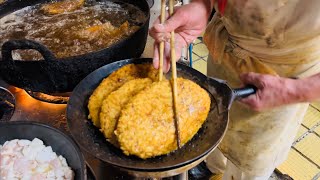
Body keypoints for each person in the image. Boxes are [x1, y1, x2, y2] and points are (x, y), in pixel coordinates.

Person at [149, 0, 320, 179]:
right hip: (227, 45)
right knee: (213, 124)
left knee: (251, 156)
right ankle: (212, 166)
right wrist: (203, 6)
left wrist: (298, 90)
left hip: (287, 74)